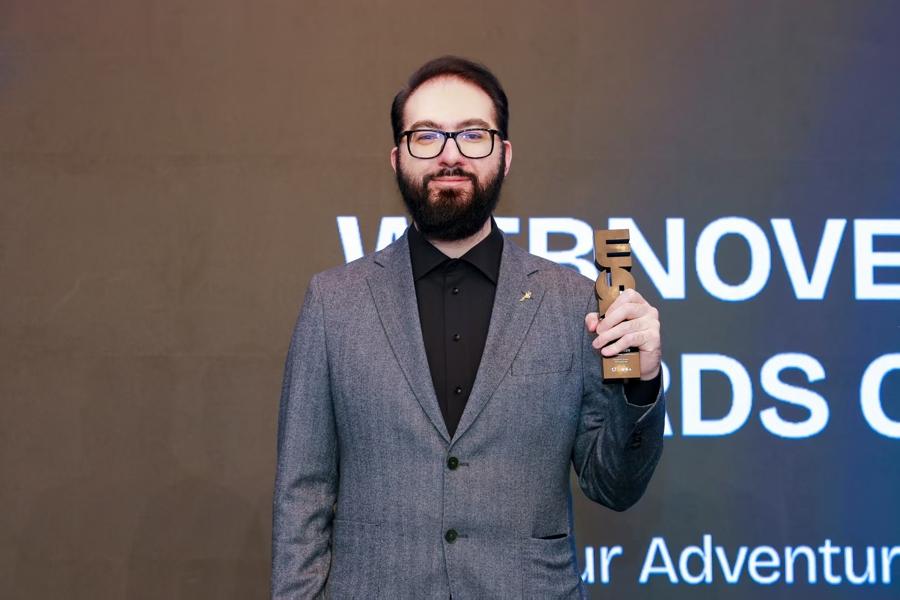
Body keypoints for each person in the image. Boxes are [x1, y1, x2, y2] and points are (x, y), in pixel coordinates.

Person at [271, 56, 665, 599]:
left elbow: (614, 486)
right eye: (427, 135)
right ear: (397, 158)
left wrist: (642, 384)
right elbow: (302, 496)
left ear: (505, 156)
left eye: (474, 135)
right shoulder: (334, 303)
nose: (450, 154)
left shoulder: (572, 302)